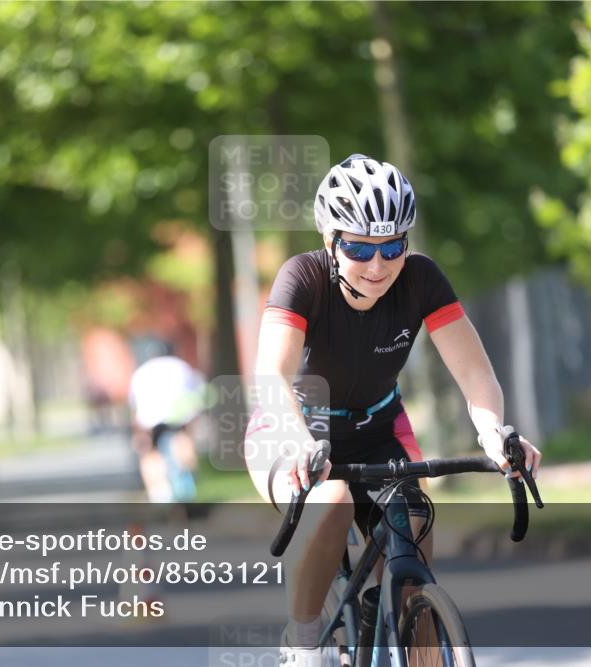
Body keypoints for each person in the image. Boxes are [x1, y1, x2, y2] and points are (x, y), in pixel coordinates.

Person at [242, 154, 542, 666]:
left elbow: (474, 373)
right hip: (292, 426)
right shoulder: (303, 277)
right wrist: (299, 445)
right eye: (359, 247)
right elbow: (271, 375)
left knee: (415, 522)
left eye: (392, 247)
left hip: (380, 425)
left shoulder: (421, 279)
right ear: (330, 240)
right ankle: (304, 639)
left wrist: (494, 434)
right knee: (331, 500)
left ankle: (410, 634)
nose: (378, 265)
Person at [128, 350, 205, 503]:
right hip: (180, 413)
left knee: (149, 452)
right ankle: (187, 476)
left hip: (151, 416)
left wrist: (140, 434)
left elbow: (134, 405)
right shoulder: (181, 365)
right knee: (183, 441)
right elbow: (195, 393)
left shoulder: (140, 372)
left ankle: (158, 490)